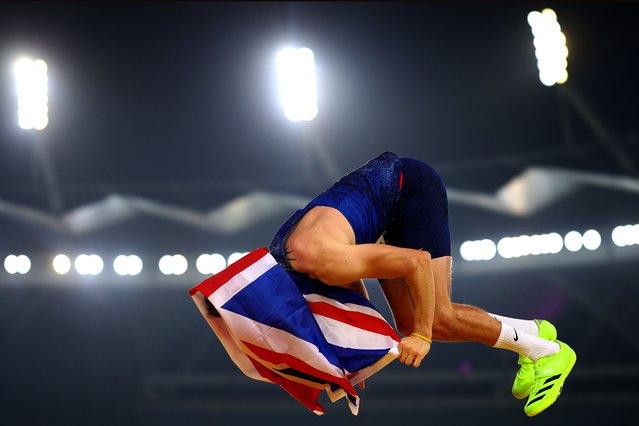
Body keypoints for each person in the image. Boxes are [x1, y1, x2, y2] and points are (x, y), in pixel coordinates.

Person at [268, 151, 576, 417]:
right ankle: (535, 331)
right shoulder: (290, 258)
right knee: (408, 322)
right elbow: (353, 302)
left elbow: (418, 261)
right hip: (379, 207)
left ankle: (546, 352)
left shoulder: (324, 261)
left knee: (434, 319)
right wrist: (356, 357)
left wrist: (423, 337)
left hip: (409, 190)